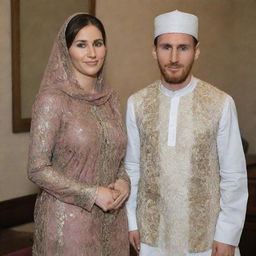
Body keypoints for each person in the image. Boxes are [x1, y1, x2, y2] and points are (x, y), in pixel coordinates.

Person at [125, 10, 248, 256]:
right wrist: (131, 222)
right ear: (154, 50)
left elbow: (234, 175)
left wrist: (228, 235)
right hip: (151, 238)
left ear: (196, 51)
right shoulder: (137, 103)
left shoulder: (220, 103)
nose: (173, 57)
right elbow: (132, 168)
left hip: (206, 239)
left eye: (183, 48)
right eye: (165, 47)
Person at [28, 13, 130, 256]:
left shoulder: (110, 100)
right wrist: (92, 193)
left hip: (112, 222)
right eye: (81, 45)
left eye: (97, 43)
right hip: (68, 226)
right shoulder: (52, 100)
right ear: (66, 50)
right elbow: (37, 168)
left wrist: (124, 182)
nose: (92, 54)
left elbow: (115, 158)